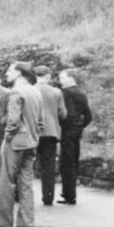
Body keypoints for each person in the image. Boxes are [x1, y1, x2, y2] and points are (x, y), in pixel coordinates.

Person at [0, 62, 44, 227]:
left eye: (10, 70)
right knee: (26, 182)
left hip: (16, 141)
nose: (6, 73)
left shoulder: (16, 92)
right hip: (32, 140)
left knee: (7, 181)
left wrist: (8, 136)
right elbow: (41, 121)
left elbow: (13, 120)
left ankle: (3, 224)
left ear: (19, 73)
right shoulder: (36, 91)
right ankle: (26, 225)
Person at [57, 69, 93, 205]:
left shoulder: (66, 93)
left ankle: (69, 195)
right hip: (76, 131)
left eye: (62, 77)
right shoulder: (81, 93)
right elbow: (89, 116)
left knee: (66, 162)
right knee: (73, 161)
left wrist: (63, 125)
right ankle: (69, 194)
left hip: (67, 131)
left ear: (70, 78)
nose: (60, 81)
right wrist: (80, 126)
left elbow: (68, 114)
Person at [35, 66, 67, 206]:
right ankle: (48, 197)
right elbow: (63, 114)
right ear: (48, 76)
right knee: (49, 166)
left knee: (26, 164)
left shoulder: (30, 89)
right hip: (51, 132)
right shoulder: (56, 92)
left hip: (33, 131)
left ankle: (19, 195)